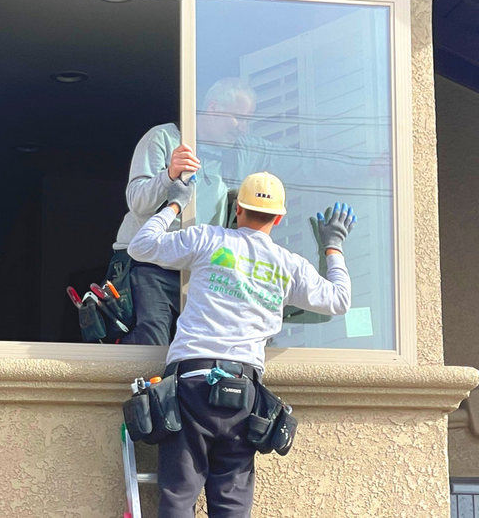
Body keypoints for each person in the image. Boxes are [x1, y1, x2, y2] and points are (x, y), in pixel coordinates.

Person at [127, 171, 356, 517]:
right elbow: (339, 300)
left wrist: (175, 201)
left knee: (178, 497)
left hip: (191, 384)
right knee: (231, 503)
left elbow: (140, 245)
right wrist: (333, 245)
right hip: (242, 394)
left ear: (238, 211)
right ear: (278, 219)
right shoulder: (287, 264)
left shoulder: (208, 239)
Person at [107, 78, 258, 345]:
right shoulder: (164, 138)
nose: (244, 128)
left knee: (197, 349)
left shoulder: (237, 154)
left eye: (248, 121)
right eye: (239, 118)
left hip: (198, 268)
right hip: (150, 263)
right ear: (213, 108)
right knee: (152, 343)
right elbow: (137, 201)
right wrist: (169, 175)